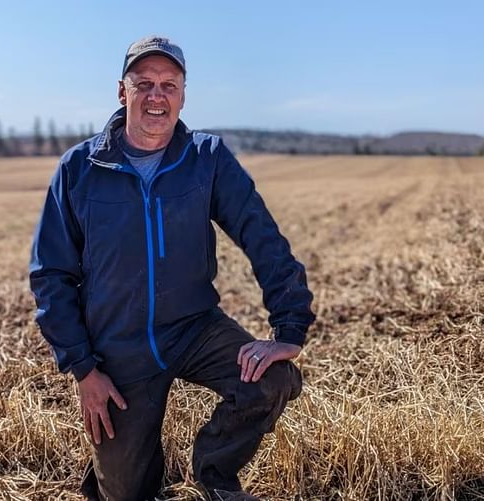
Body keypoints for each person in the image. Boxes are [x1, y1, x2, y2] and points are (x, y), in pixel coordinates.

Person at [29, 35, 315, 501]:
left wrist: (289, 328)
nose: (156, 96)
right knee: (125, 491)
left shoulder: (206, 159)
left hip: (193, 327)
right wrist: (84, 370)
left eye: (169, 84)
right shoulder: (78, 169)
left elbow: (261, 236)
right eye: (144, 84)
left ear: (183, 94)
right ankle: (120, 469)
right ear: (122, 92)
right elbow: (50, 275)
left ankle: (214, 473)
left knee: (271, 379)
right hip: (118, 347)